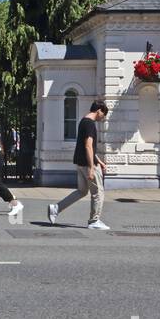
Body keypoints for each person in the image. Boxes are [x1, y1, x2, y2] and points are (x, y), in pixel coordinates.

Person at [48, 99, 110, 230]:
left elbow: (87, 146)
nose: (103, 118)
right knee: (98, 192)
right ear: (99, 110)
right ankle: (94, 221)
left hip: (80, 162)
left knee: (82, 191)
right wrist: (92, 167)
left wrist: (99, 161)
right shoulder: (90, 124)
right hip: (88, 164)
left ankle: (56, 208)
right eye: (103, 115)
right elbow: (88, 146)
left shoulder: (83, 121)